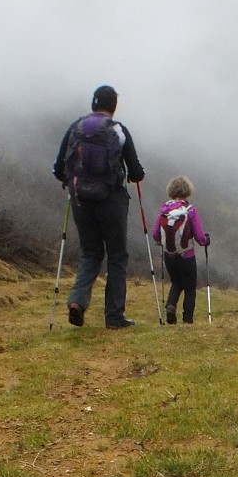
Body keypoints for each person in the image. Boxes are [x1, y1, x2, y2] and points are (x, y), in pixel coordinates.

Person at [52, 85, 146, 329]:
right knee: (116, 255)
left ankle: (77, 302)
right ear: (113, 106)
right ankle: (114, 317)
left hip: (80, 199)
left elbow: (58, 168)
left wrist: (72, 183)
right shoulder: (118, 130)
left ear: (93, 104)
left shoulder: (76, 128)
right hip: (111, 200)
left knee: (90, 253)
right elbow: (135, 172)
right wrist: (135, 175)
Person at [151, 176, 210, 324]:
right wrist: (206, 240)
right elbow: (200, 238)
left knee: (176, 282)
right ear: (187, 191)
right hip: (187, 255)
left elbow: (155, 234)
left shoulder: (164, 209)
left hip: (169, 255)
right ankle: (187, 320)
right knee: (190, 287)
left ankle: (171, 306)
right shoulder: (190, 211)